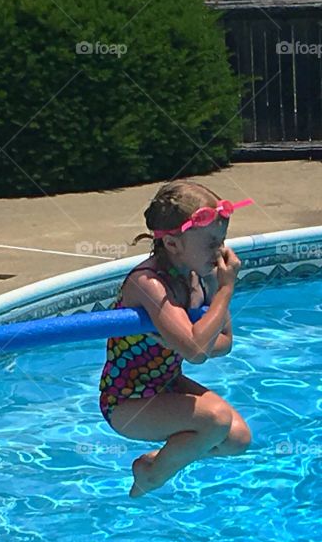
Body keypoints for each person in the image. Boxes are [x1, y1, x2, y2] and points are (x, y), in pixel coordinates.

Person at [98, 181, 254, 497]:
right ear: (172, 244)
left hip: (167, 383)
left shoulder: (202, 275)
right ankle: (151, 475)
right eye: (211, 243)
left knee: (238, 439)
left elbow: (223, 343)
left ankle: (162, 460)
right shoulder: (147, 284)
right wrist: (225, 291)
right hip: (128, 401)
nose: (221, 251)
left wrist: (190, 338)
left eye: (222, 241)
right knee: (216, 420)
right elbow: (197, 352)